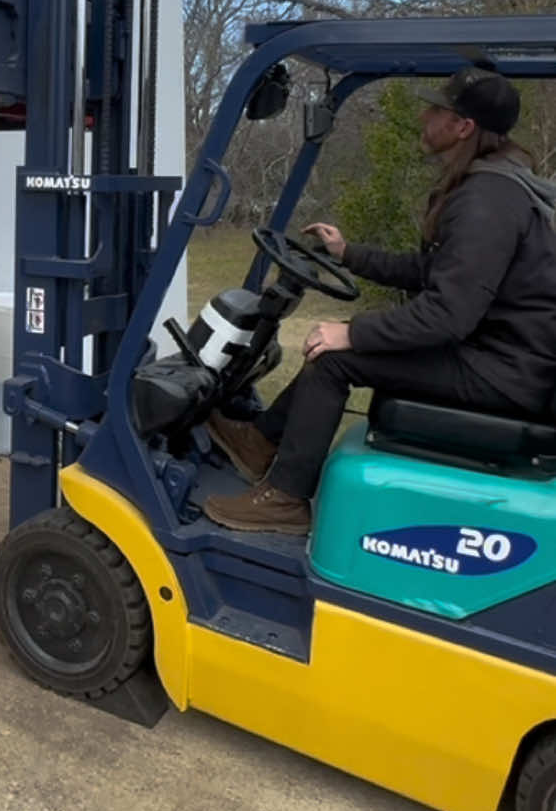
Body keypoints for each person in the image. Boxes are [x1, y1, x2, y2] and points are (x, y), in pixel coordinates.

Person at [201, 64, 556, 536]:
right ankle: (262, 443)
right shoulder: (498, 184)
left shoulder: (486, 199)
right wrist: (349, 254)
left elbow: (448, 314)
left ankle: (285, 499)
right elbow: (435, 273)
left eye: (436, 110)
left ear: (462, 127)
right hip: (503, 357)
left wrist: (350, 332)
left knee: (334, 359)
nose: (424, 118)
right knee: (346, 344)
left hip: (502, 371)